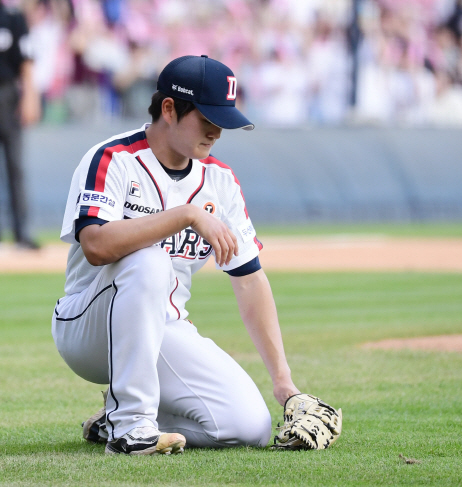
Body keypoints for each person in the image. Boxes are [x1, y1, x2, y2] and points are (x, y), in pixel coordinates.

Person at [51, 55, 299, 455]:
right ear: (169, 109)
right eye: (207, 120)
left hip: (163, 327)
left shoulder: (219, 181)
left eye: (223, 121)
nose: (217, 132)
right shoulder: (114, 159)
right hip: (88, 326)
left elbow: (249, 278)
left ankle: (117, 420)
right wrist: (185, 214)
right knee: (150, 260)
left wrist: (284, 382)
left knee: (248, 426)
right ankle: (131, 427)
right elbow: (95, 246)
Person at [0, 1, 41, 248]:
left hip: (6, 95)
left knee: (15, 167)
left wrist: (30, 96)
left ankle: (21, 232)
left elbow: (26, 60)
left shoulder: (12, 17)